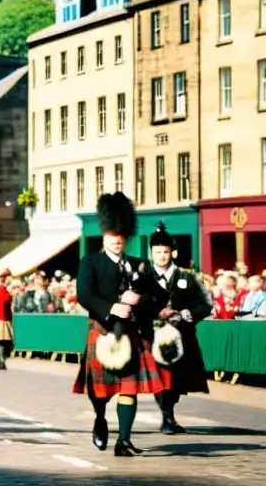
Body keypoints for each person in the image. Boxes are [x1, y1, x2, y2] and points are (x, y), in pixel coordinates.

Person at [73, 192, 168, 457]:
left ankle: (123, 441)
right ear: (104, 236)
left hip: (132, 334)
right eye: (112, 236)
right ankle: (100, 418)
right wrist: (113, 305)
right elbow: (85, 295)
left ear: (126, 238)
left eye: (121, 236)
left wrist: (139, 301)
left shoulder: (139, 265)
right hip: (102, 331)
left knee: (129, 388)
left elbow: (160, 296)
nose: (117, 240)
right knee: (101, 392)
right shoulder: (90, 262)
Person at [148, 224, 211, 434]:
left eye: (165, 251)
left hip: (182, 337)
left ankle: (169, 413)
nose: (162, 256)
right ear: (151, 253)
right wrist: (154, 315)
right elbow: (134, 304)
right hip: (153, 336)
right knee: (160, 379)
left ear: (172, 252)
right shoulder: (143, 278)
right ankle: (167, 417)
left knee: (176, 381)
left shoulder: (187, 277)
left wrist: (185, 315)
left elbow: (205, 304)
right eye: (158, 252)